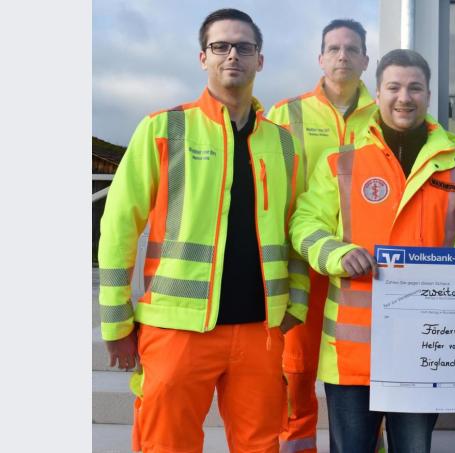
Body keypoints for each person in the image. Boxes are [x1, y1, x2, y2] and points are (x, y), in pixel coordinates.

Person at [97, 8, 307, 452]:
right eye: (221, 46)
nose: (233, 55)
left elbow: (298, 228)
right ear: (203, 57)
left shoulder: (284, 143)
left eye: (244, 47)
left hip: (260, 331)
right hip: (176, 328)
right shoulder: (164, 128)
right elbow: (118, 226)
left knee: (261, 446)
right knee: (165, 444)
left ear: (259, 60)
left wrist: (296, 306)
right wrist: (116, 319)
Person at [289, 49, 455, 453]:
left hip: (425, 349)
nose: (405, 97)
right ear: (378, 93)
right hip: (352, 355)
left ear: (429, 95)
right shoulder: (340, 162)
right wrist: (335, 252)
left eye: (415, 87)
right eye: (394, 87)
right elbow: (304, 225)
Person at [266, 19, 377, 453]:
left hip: (362, 270)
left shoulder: (386, 112)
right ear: (320, 58)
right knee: (295, 371)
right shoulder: (284, 114)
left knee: (367, 375)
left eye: (352, 49)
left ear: (366, 60)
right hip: (300, 263)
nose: (342, 56)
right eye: (333, 48)